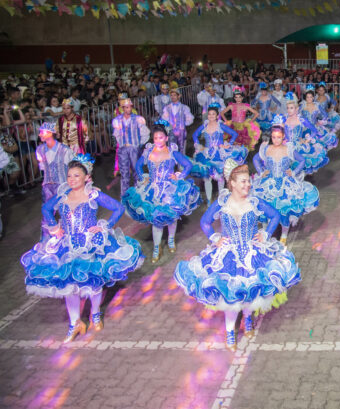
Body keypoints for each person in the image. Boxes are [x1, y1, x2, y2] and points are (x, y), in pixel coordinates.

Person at [174, 160, 300, 351]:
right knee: (230, 297)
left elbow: (275, 215)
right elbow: (205, 222)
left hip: (252, 253)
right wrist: (215, 238)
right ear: (231, 183)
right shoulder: (222, 202)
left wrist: (265, 234)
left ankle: (248, 319)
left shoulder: (255, 201)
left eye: (248, 181)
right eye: (243, 181)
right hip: (228, 256)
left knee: (251, 292)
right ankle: (230, 333)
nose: (247, 185)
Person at [20, 155, 144, 342]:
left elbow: (118, 208)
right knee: (70, 287)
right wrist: (55, 228)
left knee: (93, 284)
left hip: (89, 244)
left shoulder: (93, 194)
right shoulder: (62, 194)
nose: (72, 180)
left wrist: (104, 226)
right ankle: (75, 323)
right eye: (69, 176)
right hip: (67, 245)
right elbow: (46, 209)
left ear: (87, 177)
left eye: (76, 176)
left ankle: (95, 313)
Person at [122, 122, 201, 263]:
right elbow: (138, 166)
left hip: (169, 190)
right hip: (152, 190)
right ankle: (157, 247)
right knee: (156, 221)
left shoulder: (172, 152)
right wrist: (143, 177)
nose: (158, 140)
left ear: (166, 138)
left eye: (161, 137)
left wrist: (179, 176)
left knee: (171, 217)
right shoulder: (148, 152)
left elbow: (188, 165)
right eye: (155, 138)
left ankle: (171, 240)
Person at [251, 115, 319, 244]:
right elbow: (255, 159)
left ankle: (283, 235)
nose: (276, 140)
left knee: (284, 211)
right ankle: (266, 233)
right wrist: (261, 171)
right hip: (268, 183)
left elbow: (302, 160)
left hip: (285, 184)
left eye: (278, 137)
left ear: (283, 137)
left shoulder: (288, 149)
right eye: (273, 137)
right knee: (265, 208)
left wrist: (293, 172)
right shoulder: (267, 148)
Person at [193, 103, 248, 205]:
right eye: (209, 114)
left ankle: (220, 199)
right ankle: (209, 200)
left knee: (220, 177)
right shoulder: (204, 126)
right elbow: (195, 135)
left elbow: (234, 134)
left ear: (217, 115)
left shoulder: (220, 125)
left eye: (213, 114)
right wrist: (198, 145)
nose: (211, 116)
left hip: (220, 154)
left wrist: (228, 144)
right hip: (206, 154)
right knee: (207, 177)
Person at [112, 95, 150, 197]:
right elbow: (117, 134)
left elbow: (145, 133)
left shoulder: (137, 119)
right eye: (126, 107)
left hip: (134, 148)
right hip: (123, 149)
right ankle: (124, 195)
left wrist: (138, 144)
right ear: (122, 108)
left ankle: (137, 194)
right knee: (124, 173)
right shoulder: (118, 120)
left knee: (136, 170)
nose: (128, 109)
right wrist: (122, 144)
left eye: (130, 107)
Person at [283, 92, 329, 175]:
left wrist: (307, 140)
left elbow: (314, 130)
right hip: (285, 145)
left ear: (296, 109)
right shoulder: (284, 118)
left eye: (291, 108)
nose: (289, 110)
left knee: (298, 166)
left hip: (298, 146)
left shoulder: (301, 119)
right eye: (288, 108)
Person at [36, 122, 74, 203]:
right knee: (47, 209)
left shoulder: (65, 150)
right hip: (47, 186)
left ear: (51, 133)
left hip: (63, 185)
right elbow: (43, 167)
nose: (40, 135)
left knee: (65, 208)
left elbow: (72, 167)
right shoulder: (40, 149)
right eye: (40, 132)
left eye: (43, 132)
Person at [161, 86, 194, 151]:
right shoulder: (167, 108)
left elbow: (190, 118)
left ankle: (181, 160)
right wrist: (168, 125)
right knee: (171, 147)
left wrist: (183, 124)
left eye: (174, 95)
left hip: (181, 131)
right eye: (171, 95)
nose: (173, 97)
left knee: (181, 147)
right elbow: (164, 119)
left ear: (179, 96)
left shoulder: (184, 107)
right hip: (171, 131)